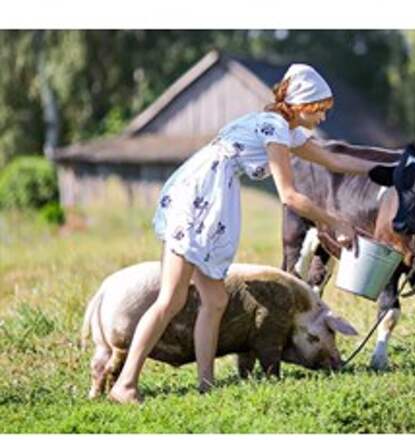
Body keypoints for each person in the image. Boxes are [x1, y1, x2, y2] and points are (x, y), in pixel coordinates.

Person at [109, 63, 390, 404]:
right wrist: (335, 222)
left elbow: (333, 161)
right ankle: (125, 385)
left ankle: (206, 385)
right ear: (303, 105)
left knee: (214, 300)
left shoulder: (285, 131)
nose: (324, 118)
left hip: (210, 193)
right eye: (321, 110)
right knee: (171, 299)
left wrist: (388, 170)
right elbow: (289, 196)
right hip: (200, 196)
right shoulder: (274, 127)